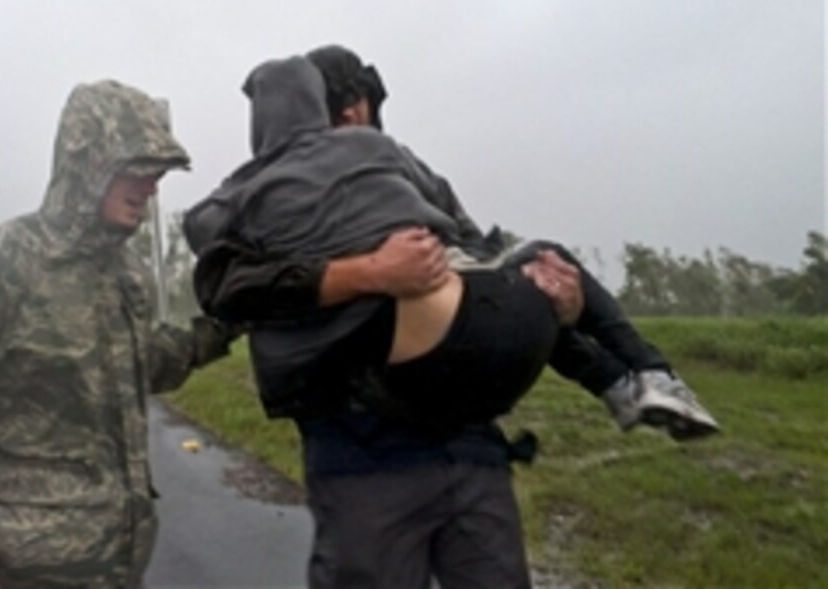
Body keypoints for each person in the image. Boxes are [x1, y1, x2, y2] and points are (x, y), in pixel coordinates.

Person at [185, 47, 718, 588]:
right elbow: (226, 287)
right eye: (340, 105)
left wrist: (559, 306)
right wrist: (366, 272)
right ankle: (633, 380)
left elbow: (473, 256)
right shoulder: (253, 203)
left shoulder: (395, 163)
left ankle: (633, 384)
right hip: (362, 450)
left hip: (468, 442)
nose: (352, 119)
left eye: (360, 105)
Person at [0, 79, 237, 589]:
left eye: (158, 173)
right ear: (88, 161)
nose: (152, 187)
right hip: (21, 570)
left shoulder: (126, 270)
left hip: (117, 564)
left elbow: (145, 362)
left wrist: (229, 324)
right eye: (138, 169)